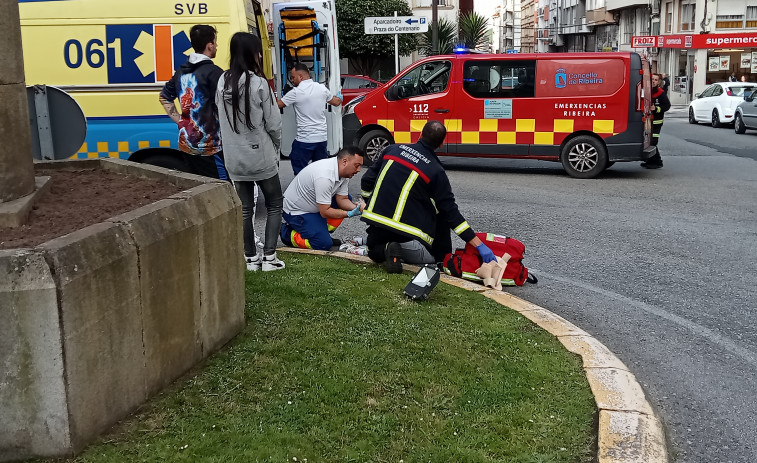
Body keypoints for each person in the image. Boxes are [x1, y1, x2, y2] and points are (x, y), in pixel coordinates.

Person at [360, 120, 497, 274]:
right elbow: (450, 212)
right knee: (440, 210)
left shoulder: (391, 149)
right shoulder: (436, 171)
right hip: (407, 235)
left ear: (420, 134)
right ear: (441, 144)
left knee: (373, 250)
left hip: (377, 228)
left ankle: (386, 248)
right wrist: (479, 245)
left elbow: (366, 181)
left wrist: (369, 203)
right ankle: (440, 257)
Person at [216, 32, 284, 271]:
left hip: (234, 157)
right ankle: (269, 257)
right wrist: (277, 145)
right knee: (275, 202)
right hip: (260, 154)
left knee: (245, 208)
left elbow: (219, 117)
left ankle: (250, 258)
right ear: (252, 54)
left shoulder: (222, 81)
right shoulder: (259, 83)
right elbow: (274, 124)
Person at [159, 25, 227, 179]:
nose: (217, 45)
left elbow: (164, 97)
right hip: (210, 147)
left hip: (186, 145)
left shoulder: (181, 70)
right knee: (222, 188)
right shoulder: (215, 73)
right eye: (216, 42)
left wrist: (181, 122)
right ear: (209, 45)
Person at [280, 147, 365, 251]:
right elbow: (325, 212)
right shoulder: (324, 176)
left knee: (349, 199)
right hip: (297, 212)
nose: (359, 170)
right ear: (345, 161)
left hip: (313, 207)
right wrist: (349, 214)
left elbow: (342, 199)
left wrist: (359, 208)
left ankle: (321, 232)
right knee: (322, 244)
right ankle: (286, 232)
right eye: (357, 166)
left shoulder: (343, 173)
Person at [276, 63, 342, 174]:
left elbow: (276, 106)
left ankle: (303, 188)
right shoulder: (322, 88)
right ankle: (319, 188)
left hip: (304, 141)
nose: (292, 80)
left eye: (293, 77)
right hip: (321, 139)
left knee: (300, 171)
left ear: (300, 77)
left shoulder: (295, 92)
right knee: (321, 172)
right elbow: (336, 102)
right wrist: (339, 97)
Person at [641, 73, 670, 169]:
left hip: (657, 122)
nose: (653, 81)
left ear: (659, 82)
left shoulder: (661, 93)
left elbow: (667, 106)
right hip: (647, 122)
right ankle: (653, 161)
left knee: (653, 142)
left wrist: (656, 108)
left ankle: (655, 162)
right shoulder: (645, 91)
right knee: (647, 142)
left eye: (656, 80)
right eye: (652, 79)